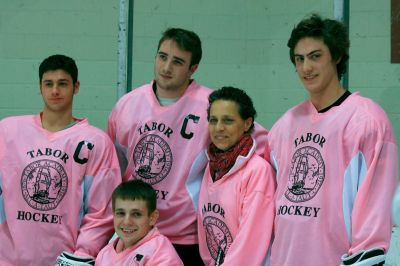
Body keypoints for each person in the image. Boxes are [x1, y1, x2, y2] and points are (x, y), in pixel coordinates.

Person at [107, 28, 268, 265]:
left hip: (187, 238)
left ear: (193, 68)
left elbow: (263, 143)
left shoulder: (211, 105)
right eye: (162, 57)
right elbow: (114, 170)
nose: (166, 67)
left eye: (177, 61)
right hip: (137, 234)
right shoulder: (126, 106)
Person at [264, 14, 399, 266]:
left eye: (316, 56)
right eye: (299, 59)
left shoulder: (367, 120)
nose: (306, 67)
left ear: (336, 56)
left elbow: (376, 210)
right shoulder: (283, 126)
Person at [0, 54, 122, 266]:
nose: (55, 91)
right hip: (9, 259)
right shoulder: (8, 132)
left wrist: (81, 255)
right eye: (48, 84)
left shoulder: (95, 142)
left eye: (62, 84)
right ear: (40, 87)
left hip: (66, 260)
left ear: (76, 86)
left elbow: (102, 212)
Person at [197, 87, 275, 266]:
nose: (219, 128)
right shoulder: (212, 166)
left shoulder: (258, 171)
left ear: (247, 123)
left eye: (228, 120)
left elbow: (251, 241)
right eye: (213, 120)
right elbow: (206, 232)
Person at [96, 179, 183, 265]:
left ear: (152, 218)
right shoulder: (104, 254)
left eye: (136, 214)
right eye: (121, 213)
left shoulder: (161, 253)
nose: (127, 222)